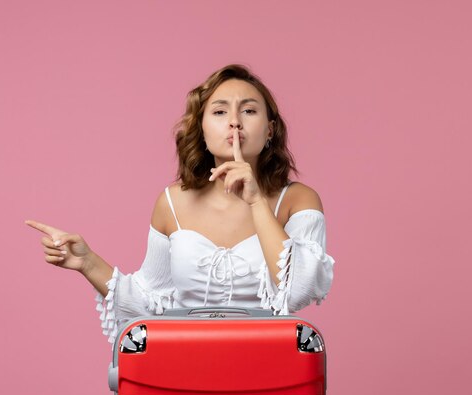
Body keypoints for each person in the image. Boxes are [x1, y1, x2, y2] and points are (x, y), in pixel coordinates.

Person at [26, 64, 335, 343]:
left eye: (249, 111)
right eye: (219, 112)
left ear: (269, 130)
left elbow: (298, 291)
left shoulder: (299, 200)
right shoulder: (172, 203)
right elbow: (148, 305)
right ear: (201, 130)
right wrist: (87, 262)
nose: (235, 123)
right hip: (184, 366)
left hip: (268, 367)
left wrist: (256, 201)